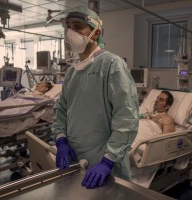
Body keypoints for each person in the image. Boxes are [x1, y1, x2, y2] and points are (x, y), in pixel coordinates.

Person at [50, 6, 139, 189]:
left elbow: (126, 117)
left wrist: (108, 161)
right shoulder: (71, 72)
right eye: (68, 26)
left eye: (78, 26)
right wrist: (61, 140)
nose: (71, 32)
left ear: (96, 33)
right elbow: (61, 109)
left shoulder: (112, 65)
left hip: (105, 163)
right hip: (75, 158)